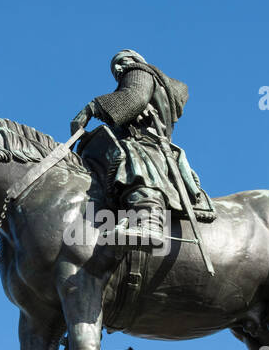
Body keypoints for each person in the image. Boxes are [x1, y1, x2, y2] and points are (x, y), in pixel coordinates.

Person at [71, 50, 213, 247]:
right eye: (115, 68)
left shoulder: (140, 72)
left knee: (133, 156)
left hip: (147, 143)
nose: (119, 68)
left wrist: (91, 108)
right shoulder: (154, 82)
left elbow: (134, 97)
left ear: (137, 61)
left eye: (122, 62)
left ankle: (149, 219)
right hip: (150, 142)